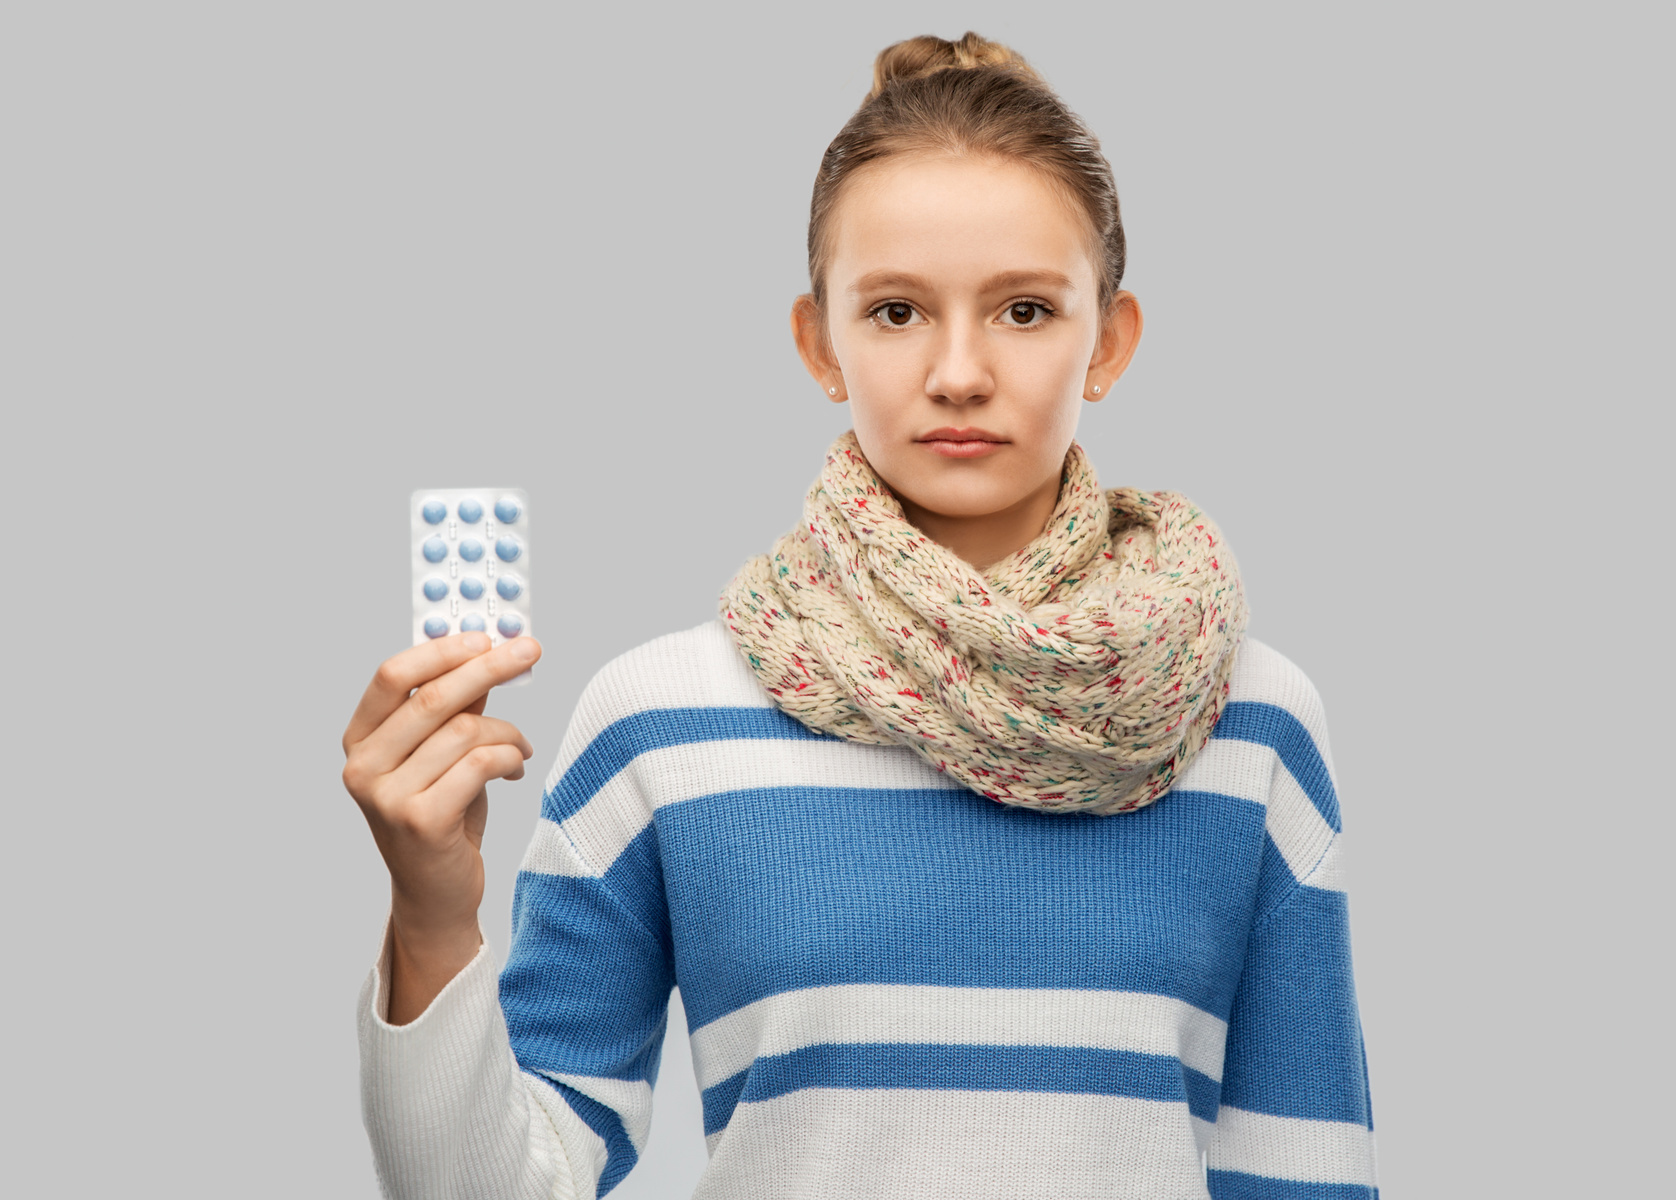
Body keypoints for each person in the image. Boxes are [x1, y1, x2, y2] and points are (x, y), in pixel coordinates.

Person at [344, 32, 1379, 1200]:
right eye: (894, 312)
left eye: (1026, 310)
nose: (958, 371)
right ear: (817, 342)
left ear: (1112, 341)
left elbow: (1304, 1173)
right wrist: (431, 914)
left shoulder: (1248, 719)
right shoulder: (662, 722)